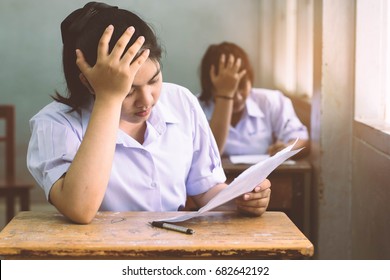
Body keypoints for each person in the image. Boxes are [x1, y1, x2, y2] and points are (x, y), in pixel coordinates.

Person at [26, 2, 271, 224]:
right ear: (89, 82)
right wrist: (109, 98)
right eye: (129, 90)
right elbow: (79, 207)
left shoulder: (181, 101)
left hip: (172, 248)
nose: (146, 100)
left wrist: (241, 199)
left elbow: (205, 189)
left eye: (154, 81)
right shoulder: (54, 124)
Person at [198, 42, 310, 157]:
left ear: (251, 80)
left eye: (241, 87)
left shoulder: (270, 101)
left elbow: (300, 137)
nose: (237, 97)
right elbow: (210, 155)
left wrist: (287, 148)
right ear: (209, 86)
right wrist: (225, 96)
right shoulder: (195, 108)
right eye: (228, 87)